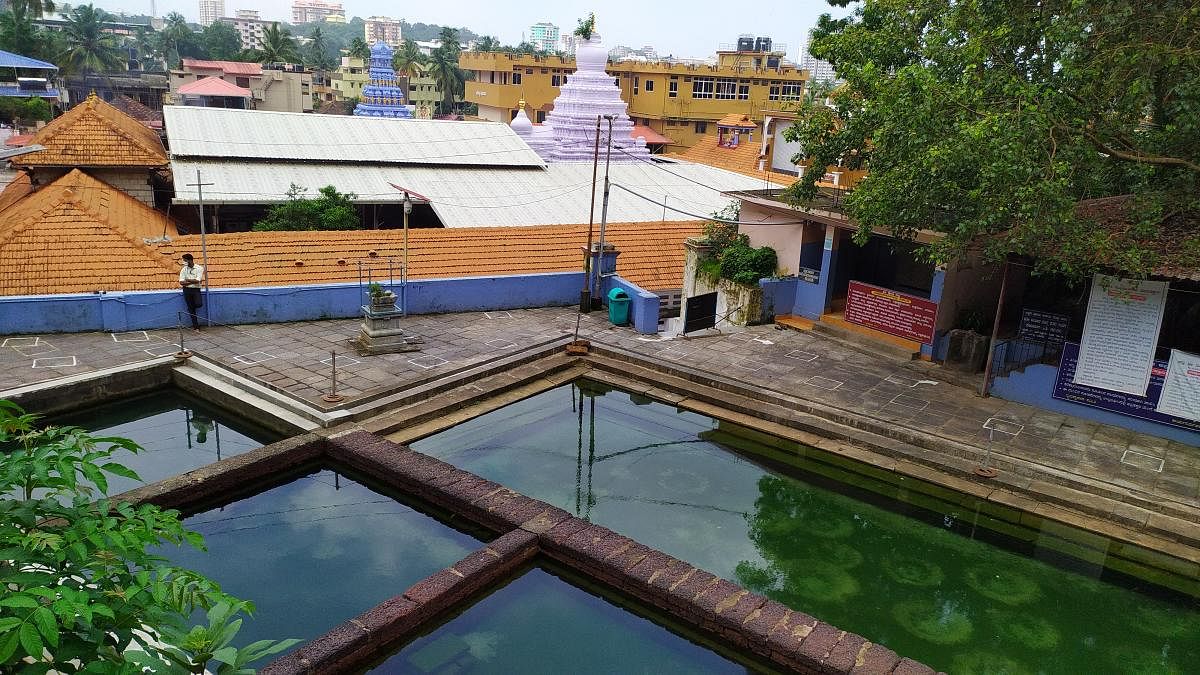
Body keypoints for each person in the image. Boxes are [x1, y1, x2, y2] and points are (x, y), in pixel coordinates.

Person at [179, 253, 204, 329]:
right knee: (191, 309)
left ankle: (192, 306)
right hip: (186, 290)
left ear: (190, 260)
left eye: (185, 260)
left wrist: (188, 280)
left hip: (196, 289)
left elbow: (197, 280)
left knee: (199, 304)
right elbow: (181, 282)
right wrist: (193, 281)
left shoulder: (199, 268)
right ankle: (196, 327)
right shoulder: (184, 269)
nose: (184, 262)